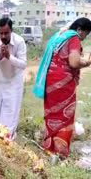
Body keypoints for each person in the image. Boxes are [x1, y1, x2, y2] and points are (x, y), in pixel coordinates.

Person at [33, 18, 91, 158]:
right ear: (80, 30)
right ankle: (60, 152)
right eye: (86, 34)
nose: (84, 38)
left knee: (52, 114)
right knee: (64, 116)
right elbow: (74, 62)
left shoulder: (59, 36)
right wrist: (87, 63)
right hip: (63, 84)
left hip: (50, 81)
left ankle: (49, 148)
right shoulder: (73, 37)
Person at [0, 18, 27, 138]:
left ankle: (8, 136)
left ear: (11, 31)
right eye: (1, 33)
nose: (3, 36)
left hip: (15, 81)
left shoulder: (19, 42)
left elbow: (23, 64)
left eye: (6, 33)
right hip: (1, 81)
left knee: (11, 110)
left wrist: (9, 56)